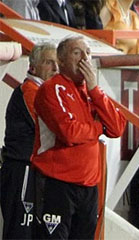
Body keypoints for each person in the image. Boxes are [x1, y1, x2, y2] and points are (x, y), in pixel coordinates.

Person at [31, 36, 126, 239]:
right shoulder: (52, 89)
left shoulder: (92, 92)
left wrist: (94, 90)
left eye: (88, 53)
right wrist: (99, 127)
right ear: (61, 61)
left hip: (89, 187)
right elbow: (69, 133)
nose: (84, 58)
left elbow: (117, 128)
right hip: (58, 184)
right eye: (77, 53)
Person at [1, 43, 58, 240]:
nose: (55, 68)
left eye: (57, 63)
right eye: (49, 62)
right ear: (33, 67)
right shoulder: (30, 90)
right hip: (23, 169)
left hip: (34, 170)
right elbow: (52, 126)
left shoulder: (46, 91)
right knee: (21, 232)